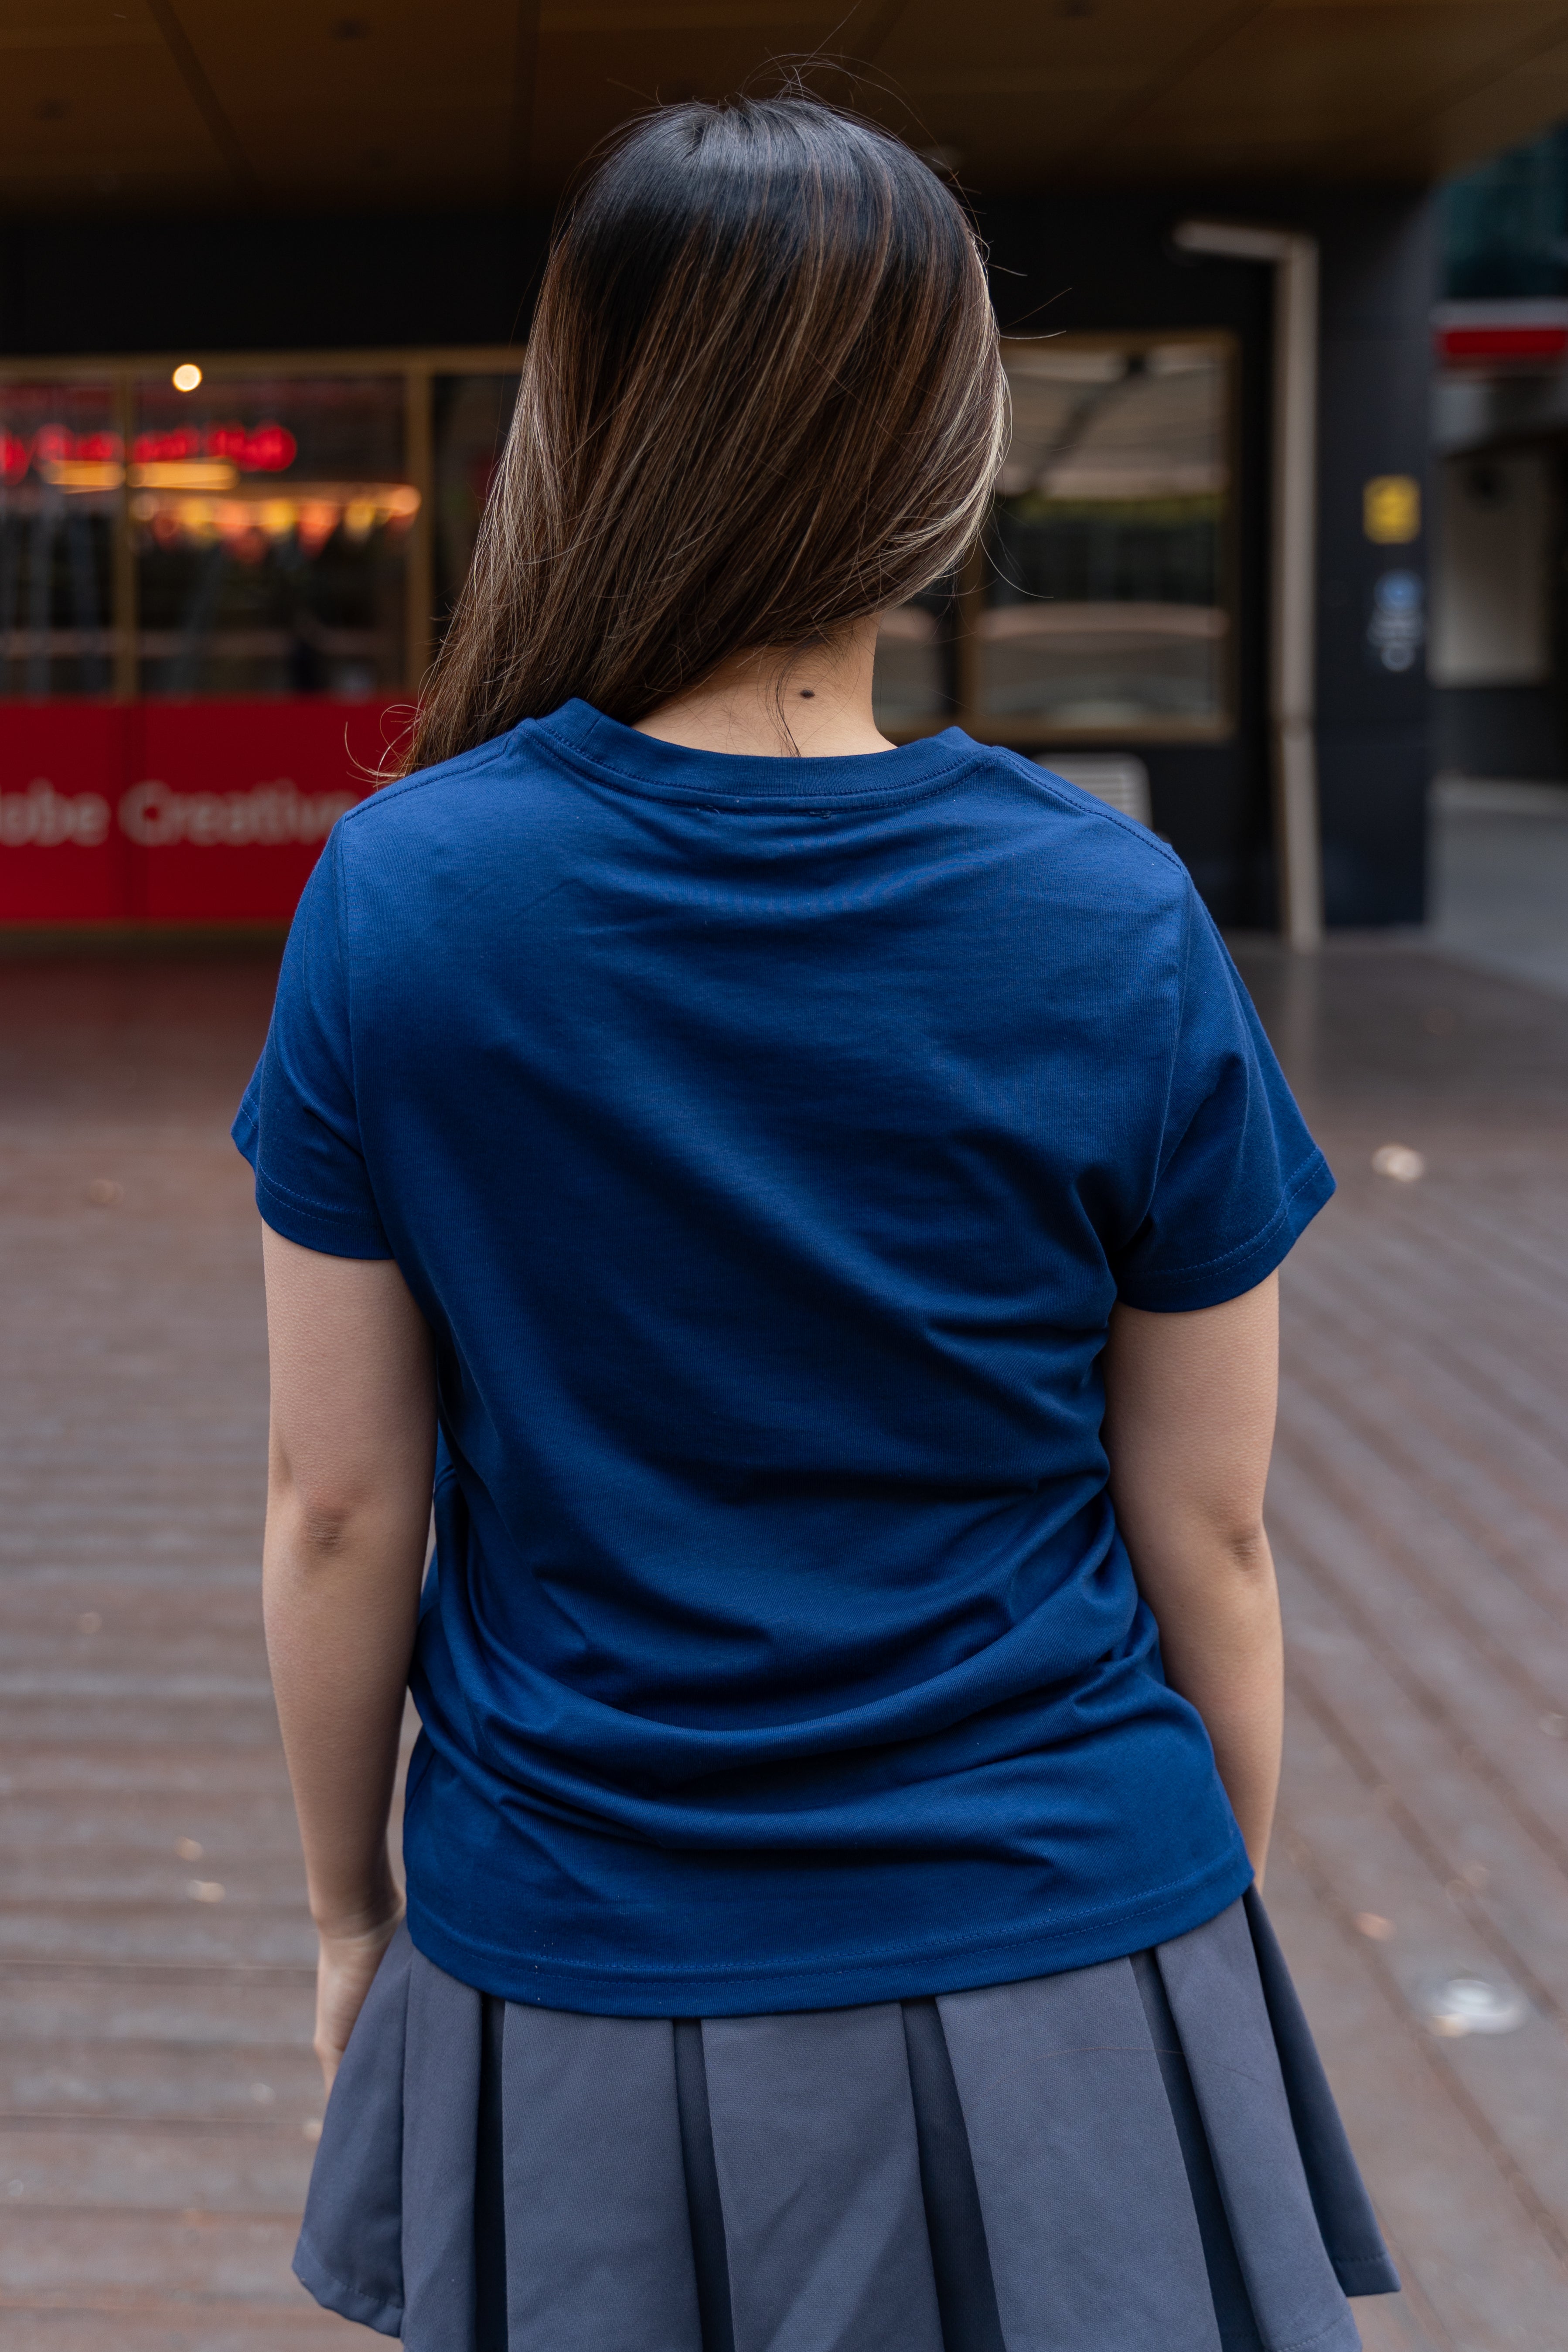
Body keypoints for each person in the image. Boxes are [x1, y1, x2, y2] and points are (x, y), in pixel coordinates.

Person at [236, 92, 1400, 2352]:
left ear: (581, 428)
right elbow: (1214, 1529)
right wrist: (1185, 1912)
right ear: (948, 460)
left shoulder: (406, 896)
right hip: (1071, 1919)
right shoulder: (1113, 913)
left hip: (576, 1949)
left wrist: (347, 1912)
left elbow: (341, 1506)